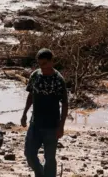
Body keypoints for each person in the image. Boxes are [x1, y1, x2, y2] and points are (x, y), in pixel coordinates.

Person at [21, 48, 69, 177]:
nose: (42, 67)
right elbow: (31, 95)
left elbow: (64, 104)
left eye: (44, 64)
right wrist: (24, 113)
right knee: (29, 154)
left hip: (52, 125)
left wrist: (61, 126)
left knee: (50, 158)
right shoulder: (35, 76)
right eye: (40, 64)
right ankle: (40, 173)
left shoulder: (58, 80)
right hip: (35, 123)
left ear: (51, 62)